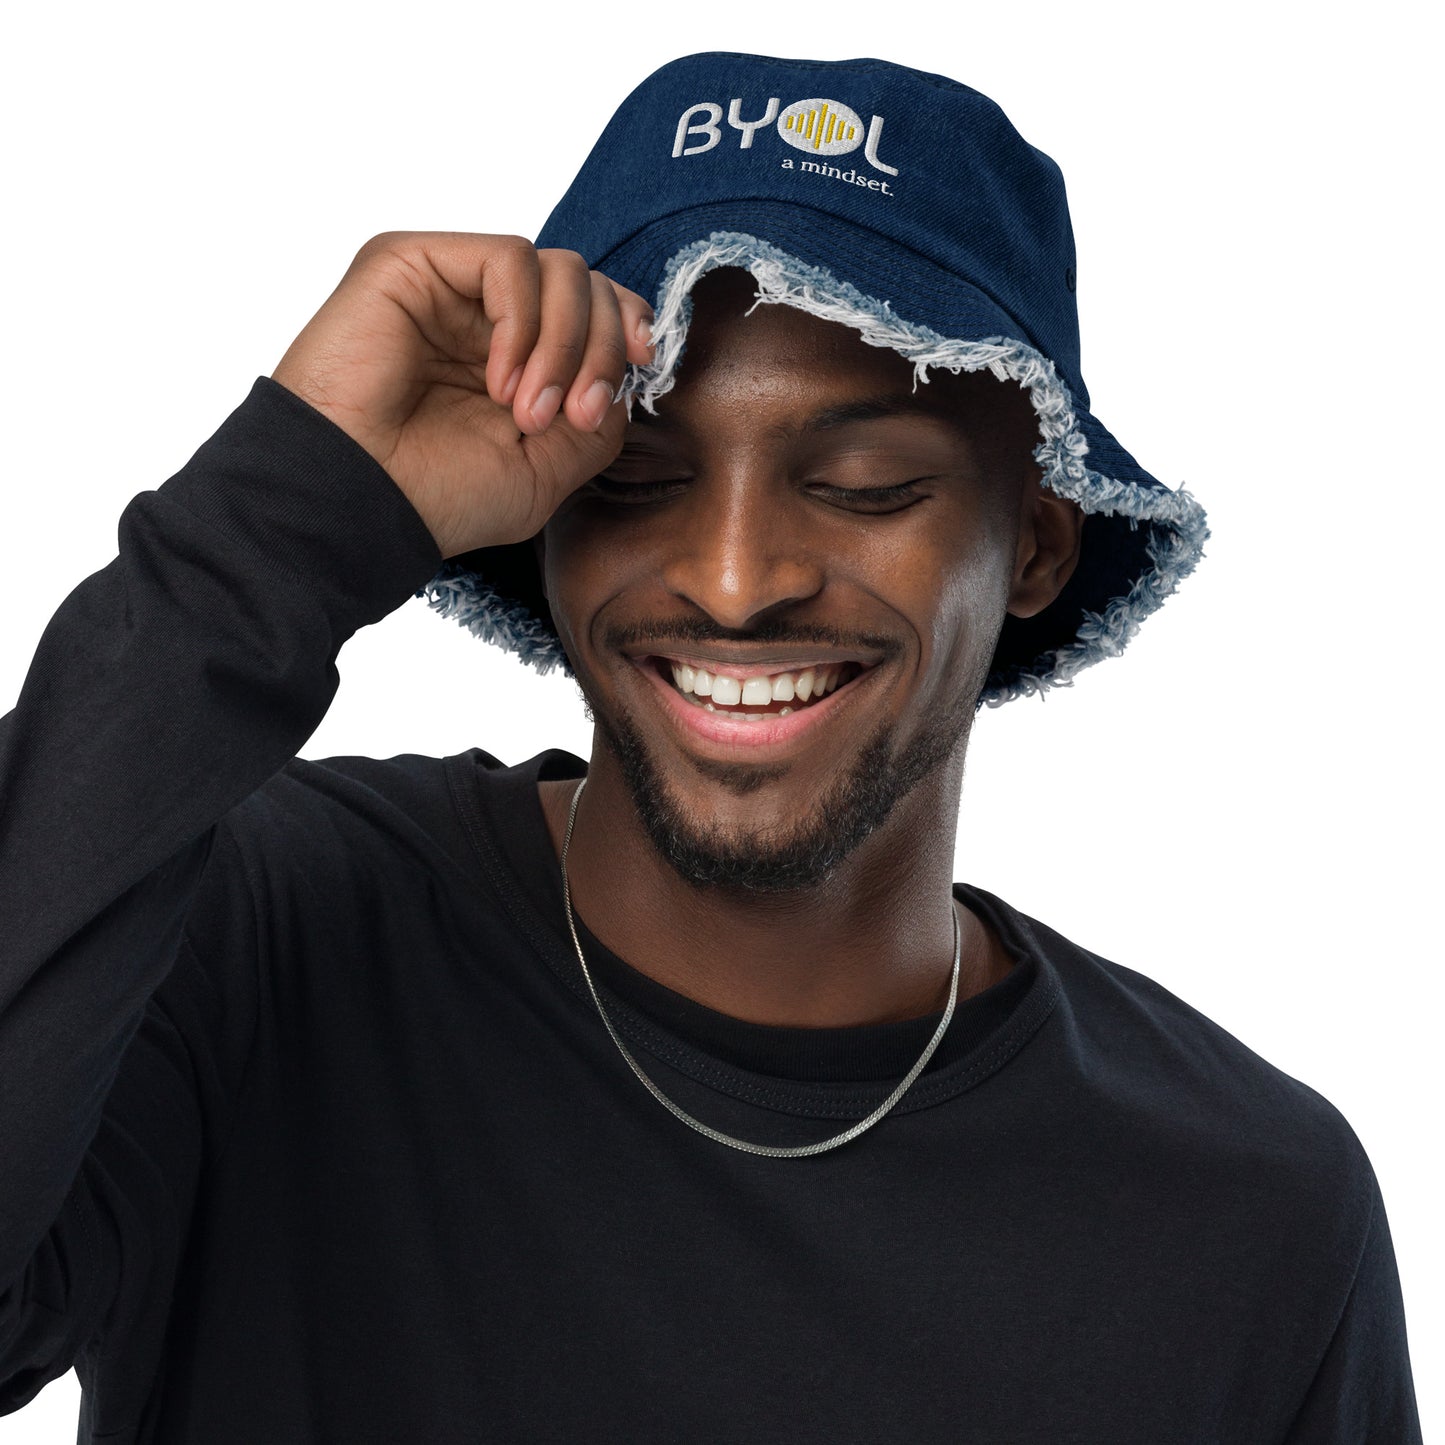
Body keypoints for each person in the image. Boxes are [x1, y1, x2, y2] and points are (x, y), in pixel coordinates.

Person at [0, 50, 1420, 1443]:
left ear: (1036, 542)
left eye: (862, 484)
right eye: (634, 479)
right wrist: (280, 516)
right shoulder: (252, 935)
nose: (735, 578)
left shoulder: (1247, 1214)